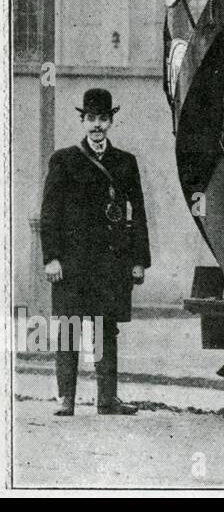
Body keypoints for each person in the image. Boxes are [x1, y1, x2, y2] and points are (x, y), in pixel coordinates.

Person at [40, 88, 151, 417]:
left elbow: (138, 213)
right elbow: (50, 214)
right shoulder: (64, 160)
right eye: (91, 119)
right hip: (71, 263)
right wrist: (51, 258)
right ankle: (66, 399)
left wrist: (138, 260)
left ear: (111, 121)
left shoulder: (125, 163)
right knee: (69, 328)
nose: (97, 125)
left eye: (103, 118)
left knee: (105, 329)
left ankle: (107, 399)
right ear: (83, 121)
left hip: (110, 263)